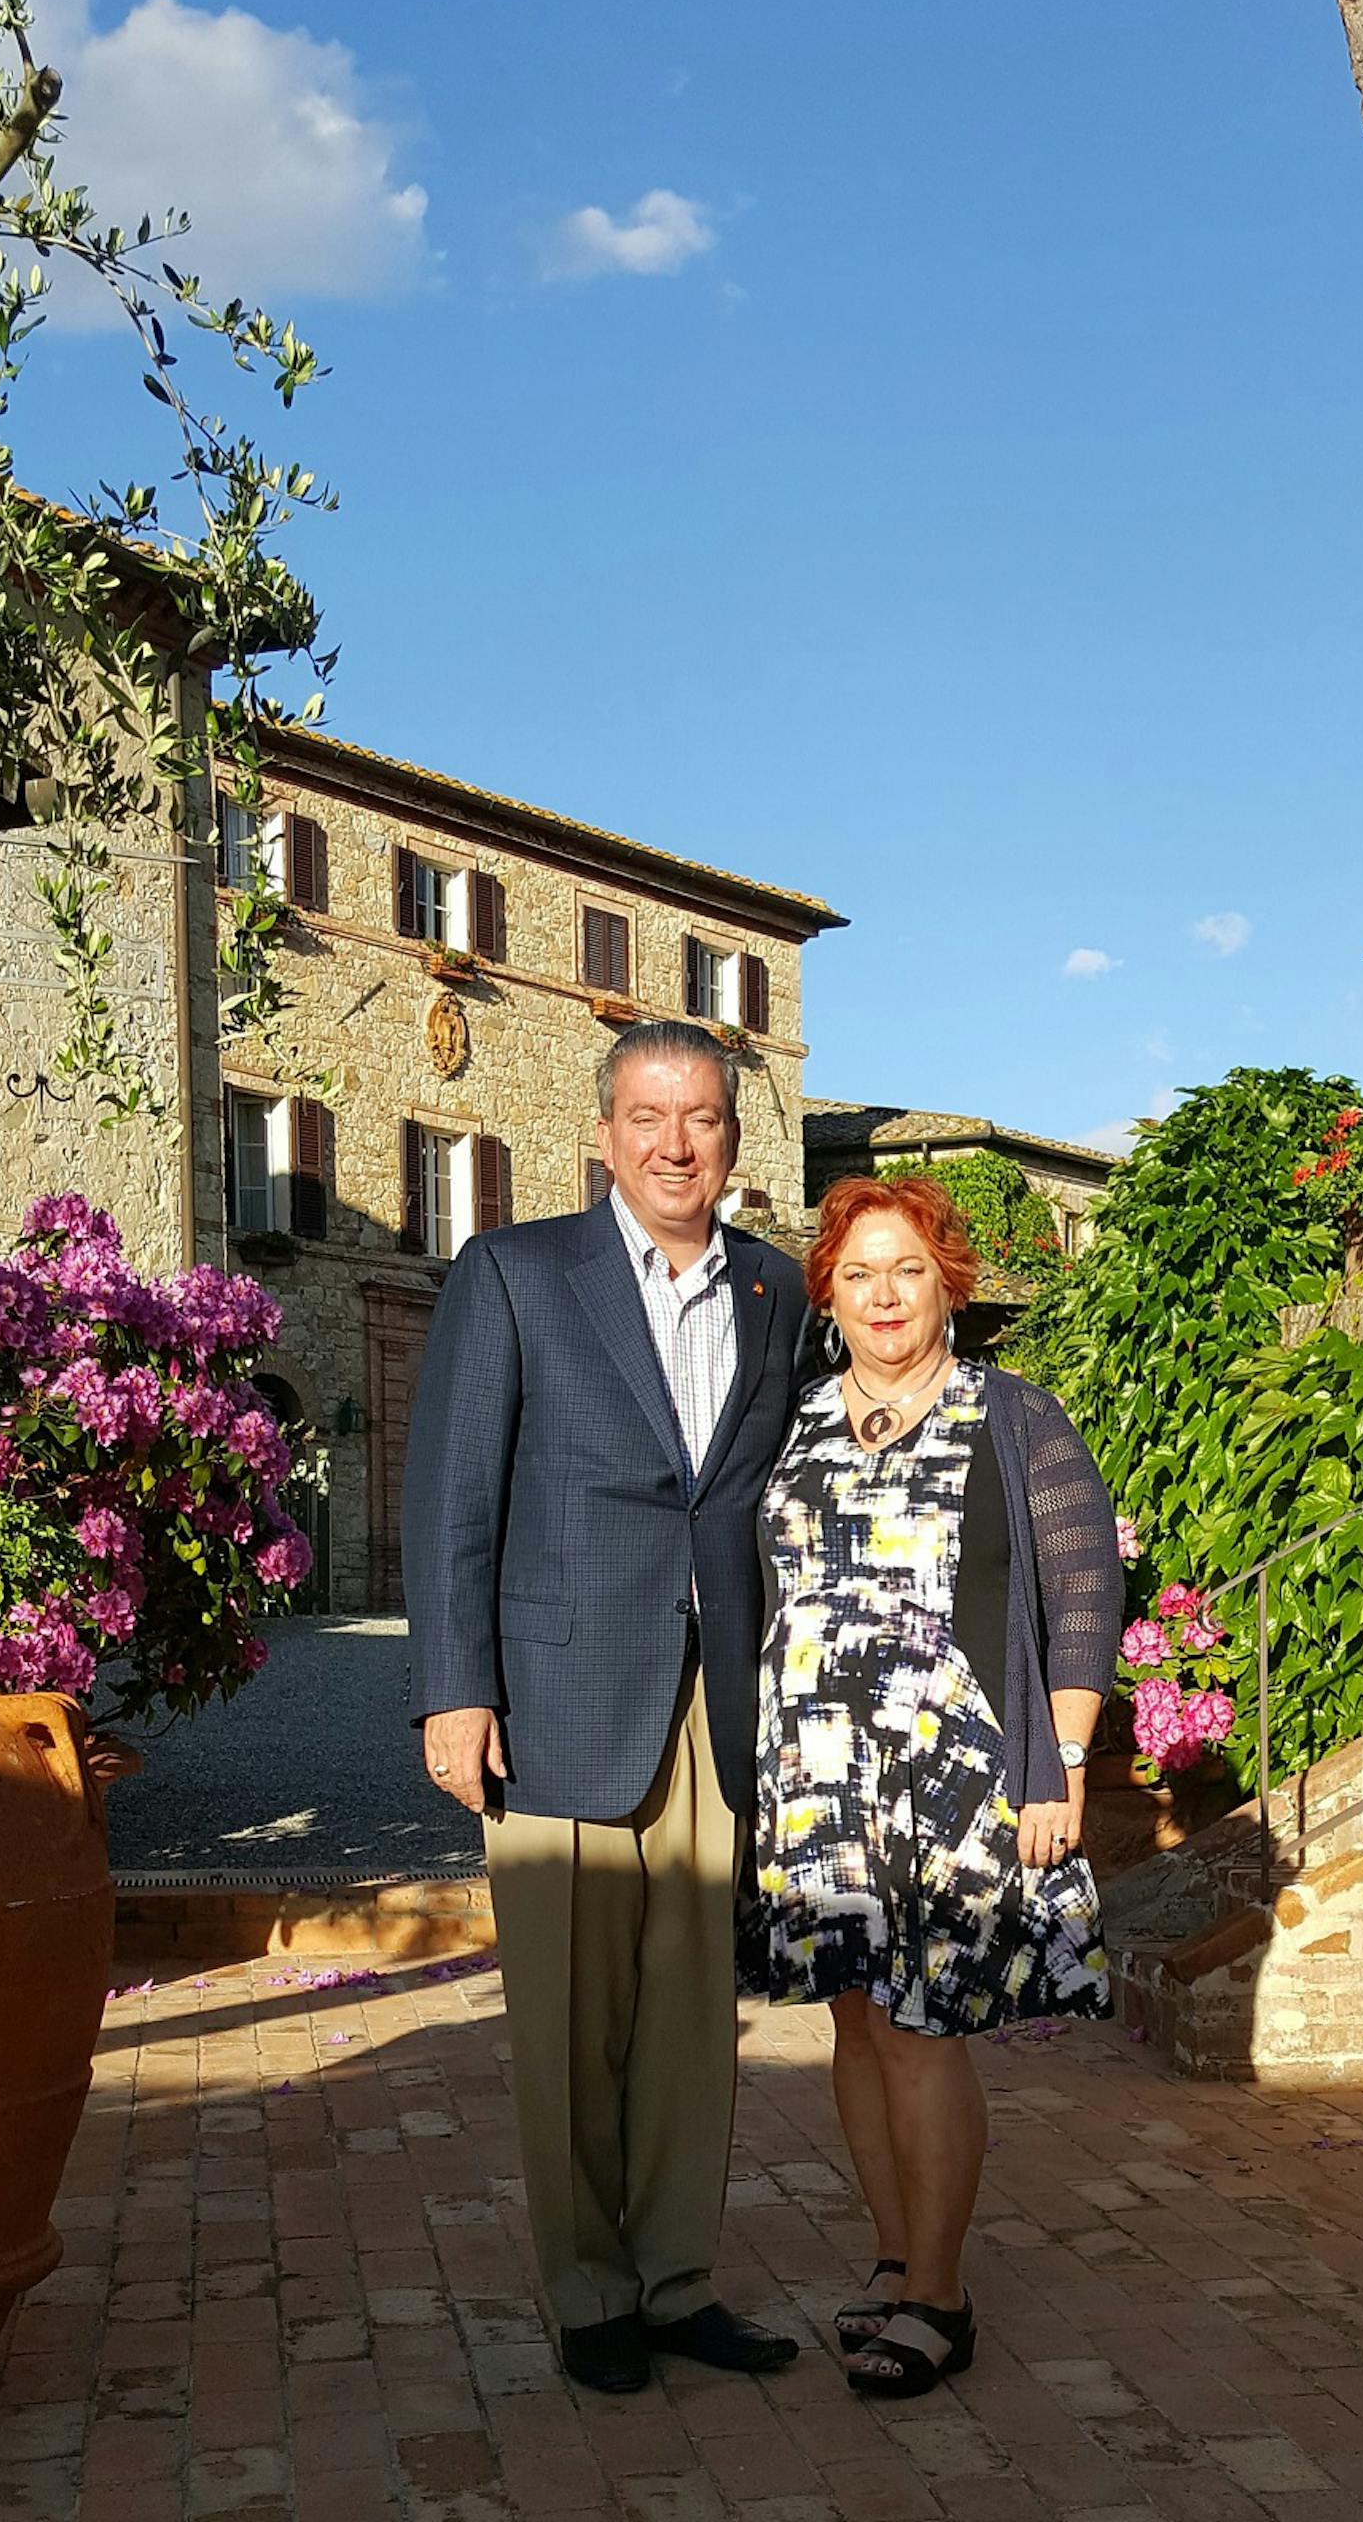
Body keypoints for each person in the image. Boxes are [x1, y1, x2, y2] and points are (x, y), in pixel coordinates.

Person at [403, 1021, 808, 2394]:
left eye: (699, 1117)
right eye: (647, 1115)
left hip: (716, 1697)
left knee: (693, 2016)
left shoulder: (775, 1291)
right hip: (556, 1691)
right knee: (572, 2024)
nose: (673, 1142)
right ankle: (589, 2292)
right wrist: (454, 1691)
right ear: (603, 1132)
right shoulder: (515, 1273)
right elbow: (453, 1494)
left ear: (733, 1143)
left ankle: (677, 2278)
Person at [742, 1171, 1125, 2398]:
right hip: (814, 1769)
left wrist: (1059, 1760)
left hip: (949, 1769)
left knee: (919, 2021)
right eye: (858, 1274)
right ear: (830, 1294)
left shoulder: (1010, 1415)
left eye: (906, 1266)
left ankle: (942, 2297)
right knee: (854, 2017)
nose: (884, 1293)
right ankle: (897, 2254)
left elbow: (1082, 1595)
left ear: (946, 1275)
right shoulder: (794, 1420)